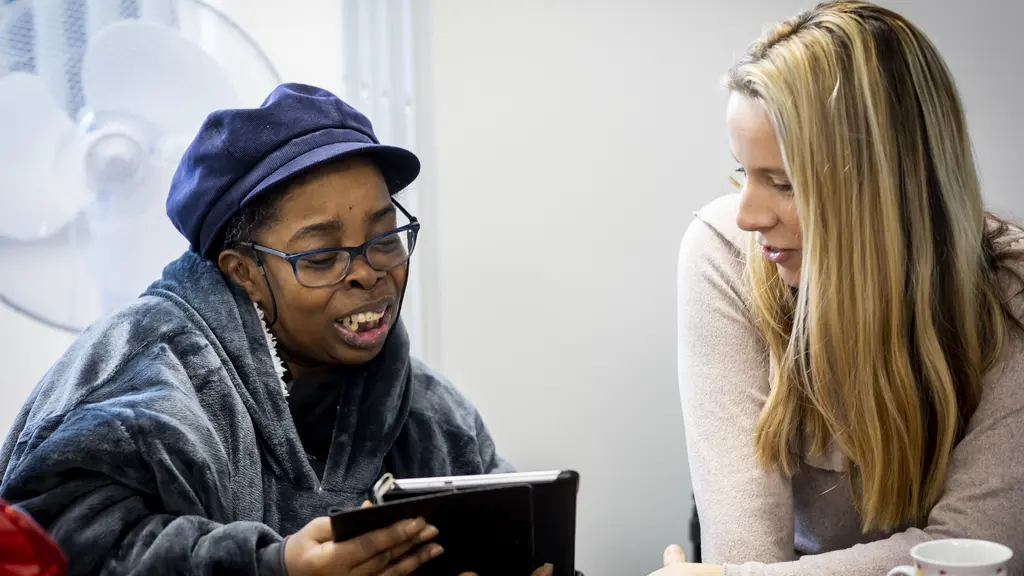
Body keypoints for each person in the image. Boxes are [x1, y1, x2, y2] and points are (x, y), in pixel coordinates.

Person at [0, 83, 547, 576]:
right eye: (322, 254)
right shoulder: (142, 376)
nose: (368, 272)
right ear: (244, 274)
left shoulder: (431, 413)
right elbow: (55, 546)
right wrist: (273, 568)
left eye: (384, 237)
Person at [653, 2, 1024, 575]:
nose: (749, 216)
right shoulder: (723, 252)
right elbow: (746, 558)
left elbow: (975, 554)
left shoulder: (1009, 289)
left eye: (784, 183)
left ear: (891, 191)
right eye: (741, 173)